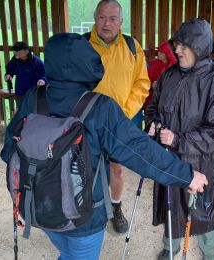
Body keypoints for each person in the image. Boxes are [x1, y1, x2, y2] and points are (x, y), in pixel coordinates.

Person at [0, 32, 208, 260]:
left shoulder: (34, 97)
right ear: (89, 63)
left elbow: (9, 149)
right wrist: (186, 175)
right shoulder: (99, 107)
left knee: (67, 253)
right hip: (83, 216)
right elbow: (140, 151)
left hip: (36, 206)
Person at [145, 18, 214, 260]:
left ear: (198, 47)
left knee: (204, 211)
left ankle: (211, 255)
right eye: (177, 44)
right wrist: (154, 123)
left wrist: (178, 139)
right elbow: (153, 106)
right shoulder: (170, 75)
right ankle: (171, 248)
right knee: (172, 203)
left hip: (204, 161)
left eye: (183, 46)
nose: (176, 50)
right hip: (170, 156)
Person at [85, 0, 151, 233]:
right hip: (86, 121)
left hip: (120, 121)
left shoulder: (133, 47)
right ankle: (87, 208)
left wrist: (122, 113)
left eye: (113, 18)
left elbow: (142, 84)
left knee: (116, 168)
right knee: (85, 166)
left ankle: (115, 207)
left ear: (121, 21)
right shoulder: (82, 45)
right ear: (95, 18)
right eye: (102, 17)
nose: (107, 23)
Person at [5, 41, 46, 109]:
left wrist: (42, 80)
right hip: (20, 93)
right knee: (21, 114)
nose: (15, 53)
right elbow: (9, 69)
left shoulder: (36, 61)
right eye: (14, 51)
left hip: (34, 93)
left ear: (26, 51)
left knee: (34, 114)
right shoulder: (15, 60)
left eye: (18, 51)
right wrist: (8, 75)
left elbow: (45, 74)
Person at [144, 40, 177, 109]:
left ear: (168, 53)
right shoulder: (154, 64)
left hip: (169, 100)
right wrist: (151, 85)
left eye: (162, 52)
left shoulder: (174, 65)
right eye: (159, 51)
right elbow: (147, 79)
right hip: (154, 96)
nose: (158, 53)